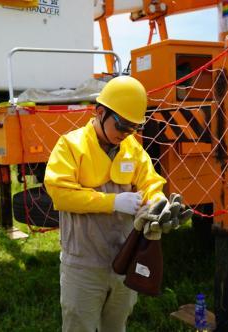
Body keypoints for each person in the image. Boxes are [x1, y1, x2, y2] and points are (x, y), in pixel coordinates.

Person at [44, 76, 168, 332]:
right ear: (100, 112)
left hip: (123, 262)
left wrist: (158, 205)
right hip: (84, 265)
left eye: (133, 128)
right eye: (122, 126)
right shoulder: (70, 146)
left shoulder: (132, 149)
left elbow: (151, 183)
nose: (126, 135)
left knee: (116, 326)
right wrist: (112, 202)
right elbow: (60, 193)